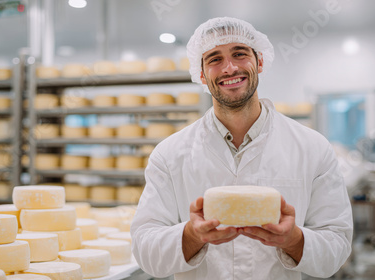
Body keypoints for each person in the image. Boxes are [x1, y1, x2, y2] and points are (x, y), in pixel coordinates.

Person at [131, 17, 353, 280]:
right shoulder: (169, 155)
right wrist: (192, 235)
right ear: (201, 74)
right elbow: (144, 248)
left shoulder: (312, 148)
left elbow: (337, 247)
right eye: (214, 58)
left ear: (259, 62)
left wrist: (294, 239)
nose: (229, 68)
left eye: (239, 53)